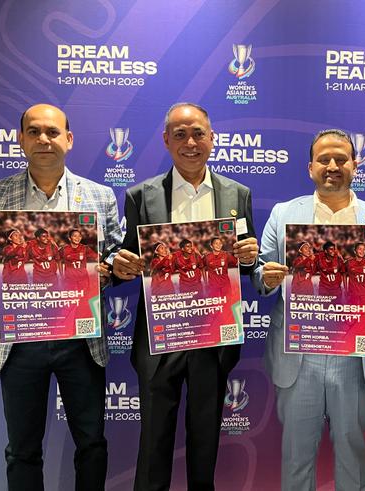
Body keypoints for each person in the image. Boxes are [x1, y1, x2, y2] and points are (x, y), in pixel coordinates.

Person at [0, 103, 122, 491]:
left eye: (52, 132)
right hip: (19, 340)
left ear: (69, 139)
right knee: (22, 450)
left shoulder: (99, 196)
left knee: (92, 444)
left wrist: (110, 268)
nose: (43, 139)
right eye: (34, 132)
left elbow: (114, 254)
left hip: (80, 339)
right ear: (21, 139)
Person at [252, 129, 365, 490]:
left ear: (355, 165)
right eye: (323, 159)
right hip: (299, 352)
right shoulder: (283, 213)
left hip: (355, 355)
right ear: (310, 167)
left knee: (351, 451)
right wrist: (268, 276)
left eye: (341, 159)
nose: (332, 166)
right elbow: (260, 273)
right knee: (296, 455)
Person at [111, 102, 259, 491]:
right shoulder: (141, 196)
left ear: (212, 138)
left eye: (198, 134)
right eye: (180, 135)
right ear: (166, 140)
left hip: (213, 336)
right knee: (153, 444)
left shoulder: (237, 193)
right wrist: (121, 266)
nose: (190, 143)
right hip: (160, 337)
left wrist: (249, 257)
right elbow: (127, 262)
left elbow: (244, 265)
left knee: (205, 443)